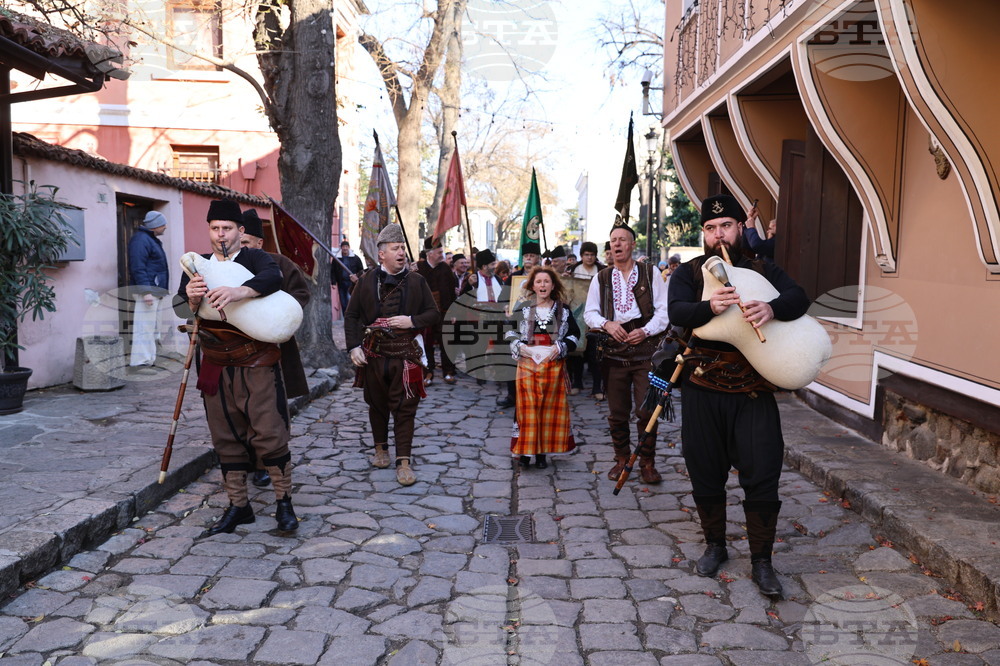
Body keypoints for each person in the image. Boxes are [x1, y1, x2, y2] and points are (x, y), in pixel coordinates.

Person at [667, 194, 809, 597]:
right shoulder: (691, 273)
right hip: (702, 390)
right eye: (710, 229)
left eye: (725, 225)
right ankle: (715, 546)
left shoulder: (761, 268)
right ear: (704, 234)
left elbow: (799, 297)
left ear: (739, 228)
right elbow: (676, 311)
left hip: (752, 392)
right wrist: (708, 306)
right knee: (705, 471)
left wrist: (772, 308)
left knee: (763, 475)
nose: (718, 234)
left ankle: (762, 562)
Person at [175, 199, 299, 536]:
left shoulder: (254, 257)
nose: (220, 235)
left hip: (257, 361)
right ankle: (239, 506)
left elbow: (273, 275)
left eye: (227, 228)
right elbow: (180, 309)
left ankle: (284, 504)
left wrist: (239, 291)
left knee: (269, 432)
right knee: (225, 436)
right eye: (215, 228)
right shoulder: (196, 267)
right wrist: (190, 296)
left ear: (239, 231)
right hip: (215, 363)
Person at [345, 223, 440, 486]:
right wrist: (353, 346)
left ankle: (404, 461)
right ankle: (380, 449)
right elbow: (352, 315)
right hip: (373, 354)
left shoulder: (417, 281)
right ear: (382, 254)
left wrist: (411, 321)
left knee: (405, 407)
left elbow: (433, 313)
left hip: (406, 355)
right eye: (395, 248)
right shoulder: (365, 281)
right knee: (376, 403)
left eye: (402, 248)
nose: (401, 253)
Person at [584, 214, 669, 484]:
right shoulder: (602, 277)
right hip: (613, 353)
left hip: (646, 353)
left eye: (622, 240)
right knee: (617, 411)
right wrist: (607, 324)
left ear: (632, 244)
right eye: (612, 241)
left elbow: (664, 312)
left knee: (647, 411)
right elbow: (589, 314)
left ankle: (647, 463)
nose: (616, 245)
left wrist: (645, 330)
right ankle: (621, 459)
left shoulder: (650, 272)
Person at [240, 208, 311, 488]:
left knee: (270, 411)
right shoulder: (224, 266)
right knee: (240, 408)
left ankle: (265, 464)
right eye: (238, 242)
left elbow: (301, 295)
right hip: (236, 351)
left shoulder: (280, 263)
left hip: (273, 350)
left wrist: (277, 313)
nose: (241, 248)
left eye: (247, 243)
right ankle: (245, 459)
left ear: (259, 243)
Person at [506, 266, 579, 470]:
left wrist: (559, 347)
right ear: (532, 286)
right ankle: (525, 453)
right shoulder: (523, 308)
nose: (542, 285)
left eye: (546, 281)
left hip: (553, 367)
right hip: (527, 366)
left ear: (553, 285)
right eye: (538, 282)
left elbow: (574, 335)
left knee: (547, 410)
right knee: (528, 409)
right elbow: (510, 333)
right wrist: (522, 348)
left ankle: (541, 454)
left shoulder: (563, 310)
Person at [127, 211, 169, 369]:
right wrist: (146, 292)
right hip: (149, 291)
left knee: (151, 327)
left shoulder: (149, 240)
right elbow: (138, 268)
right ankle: (141, 362)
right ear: (155, 226)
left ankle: (148, 359)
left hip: (154, 290)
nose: (165, 227)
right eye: (163, 224)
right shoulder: (141, 240)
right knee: (144, 327)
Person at [416, 236, 458, 384]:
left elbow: (452, 293)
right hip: (425, 313)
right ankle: (428, 372)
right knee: (426, 344)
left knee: (446, 342)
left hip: (445, 311)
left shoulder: (446, 269)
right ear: (430, 253)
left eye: (442, 251)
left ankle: (448, 371)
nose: (442, 254)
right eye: (439, 252)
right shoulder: (418, 269)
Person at [570, 241, 604, 400]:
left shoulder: (602, 270)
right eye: (586, 254)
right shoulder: (573, 270)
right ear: (582, 255)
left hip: (597, 315)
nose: (589, 257)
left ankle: (597, 387)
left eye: (592, 255)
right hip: (577, 315)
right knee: (577, 352)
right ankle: (577, 383)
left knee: (595, 353)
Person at [331, 240, 364, 314]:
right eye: (343, 246)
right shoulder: (337, 259)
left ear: (348, 247)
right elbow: (333, 271)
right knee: (343, 302)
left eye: (346, 246)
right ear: (341, 248)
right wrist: (333, 282)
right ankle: (345, 318)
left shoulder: (355, 258)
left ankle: (351, 317)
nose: (345, 248)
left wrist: (358, 278)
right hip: (341, 283)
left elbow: (361, 270)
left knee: (351, 300)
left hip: (352, 283)